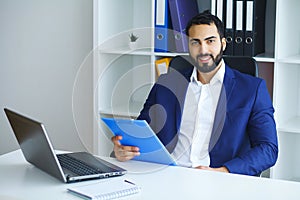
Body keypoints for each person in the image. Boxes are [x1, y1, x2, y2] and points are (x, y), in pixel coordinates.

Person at [111, 11, 278, 176]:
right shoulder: (167, 84)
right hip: (166, 175)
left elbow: (268, 149)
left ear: (223, 43)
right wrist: (123, 150)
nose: (203, 50)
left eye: (210, 41)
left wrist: (223, 171)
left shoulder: (252, 89)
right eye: (195, 42)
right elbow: (141, 134)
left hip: (216, 178)